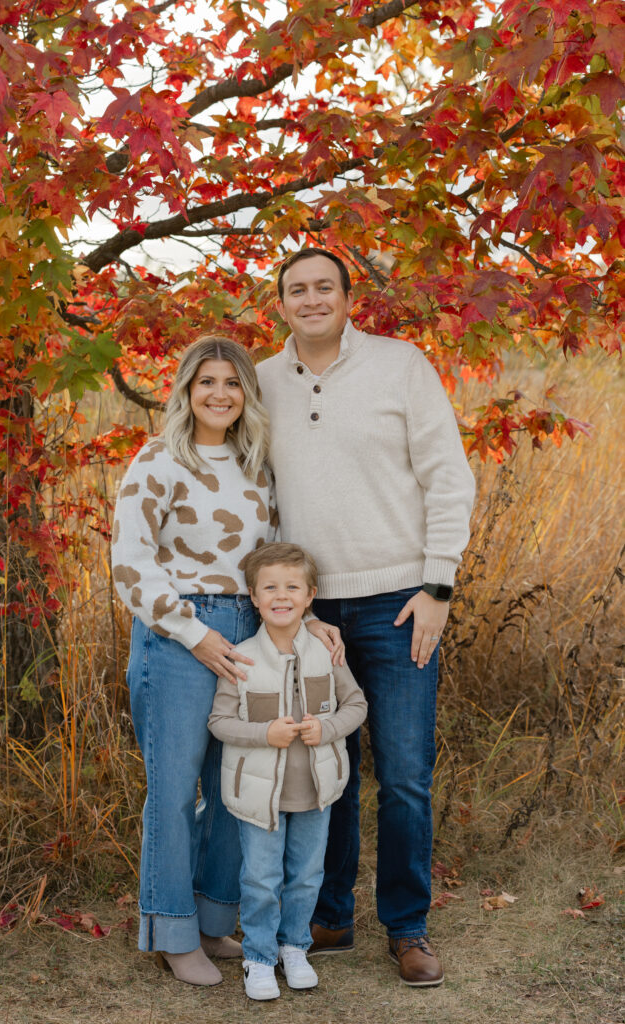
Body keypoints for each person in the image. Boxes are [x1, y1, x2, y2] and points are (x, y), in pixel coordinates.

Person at [256, 249, 476, 987]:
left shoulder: (399, 364)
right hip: (311, 610)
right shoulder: (260, 382)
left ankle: (407, 927)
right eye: (296, 290)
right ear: (280, 304)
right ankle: (330, 915)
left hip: (398, 601)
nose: (310, 299)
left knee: (406, 772)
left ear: (348, 298)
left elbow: (447, 473)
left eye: (324, 287)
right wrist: (289, 608)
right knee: (329, 767)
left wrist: (437, 586)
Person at [112, 336, 343, 987]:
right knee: (175, 785)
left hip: (249, 630)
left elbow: (275, 562)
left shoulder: (255, 465)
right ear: (186, 390)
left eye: (232, 383)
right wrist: (191, 632)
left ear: (247, 394)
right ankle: (171, 930)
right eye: (206, 381)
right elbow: (130, 562)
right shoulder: (158, 461)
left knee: (233, 783)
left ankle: (213, 922)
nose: (219, 394)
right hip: (178, 634)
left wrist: (305, 618)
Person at [208, 542, 367, 1000]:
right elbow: (219, 722)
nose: (282, 596)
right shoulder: (241, 658)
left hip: (316, 791)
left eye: (292, 587)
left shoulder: (326, 652)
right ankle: (258, 957)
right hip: (260, 797)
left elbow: (356, 704)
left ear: (310, 595)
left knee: (306, 875)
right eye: (270, 587)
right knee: (261, 879)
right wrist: (264, 734)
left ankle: (293, 947)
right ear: (254, 597)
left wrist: (329, 726)